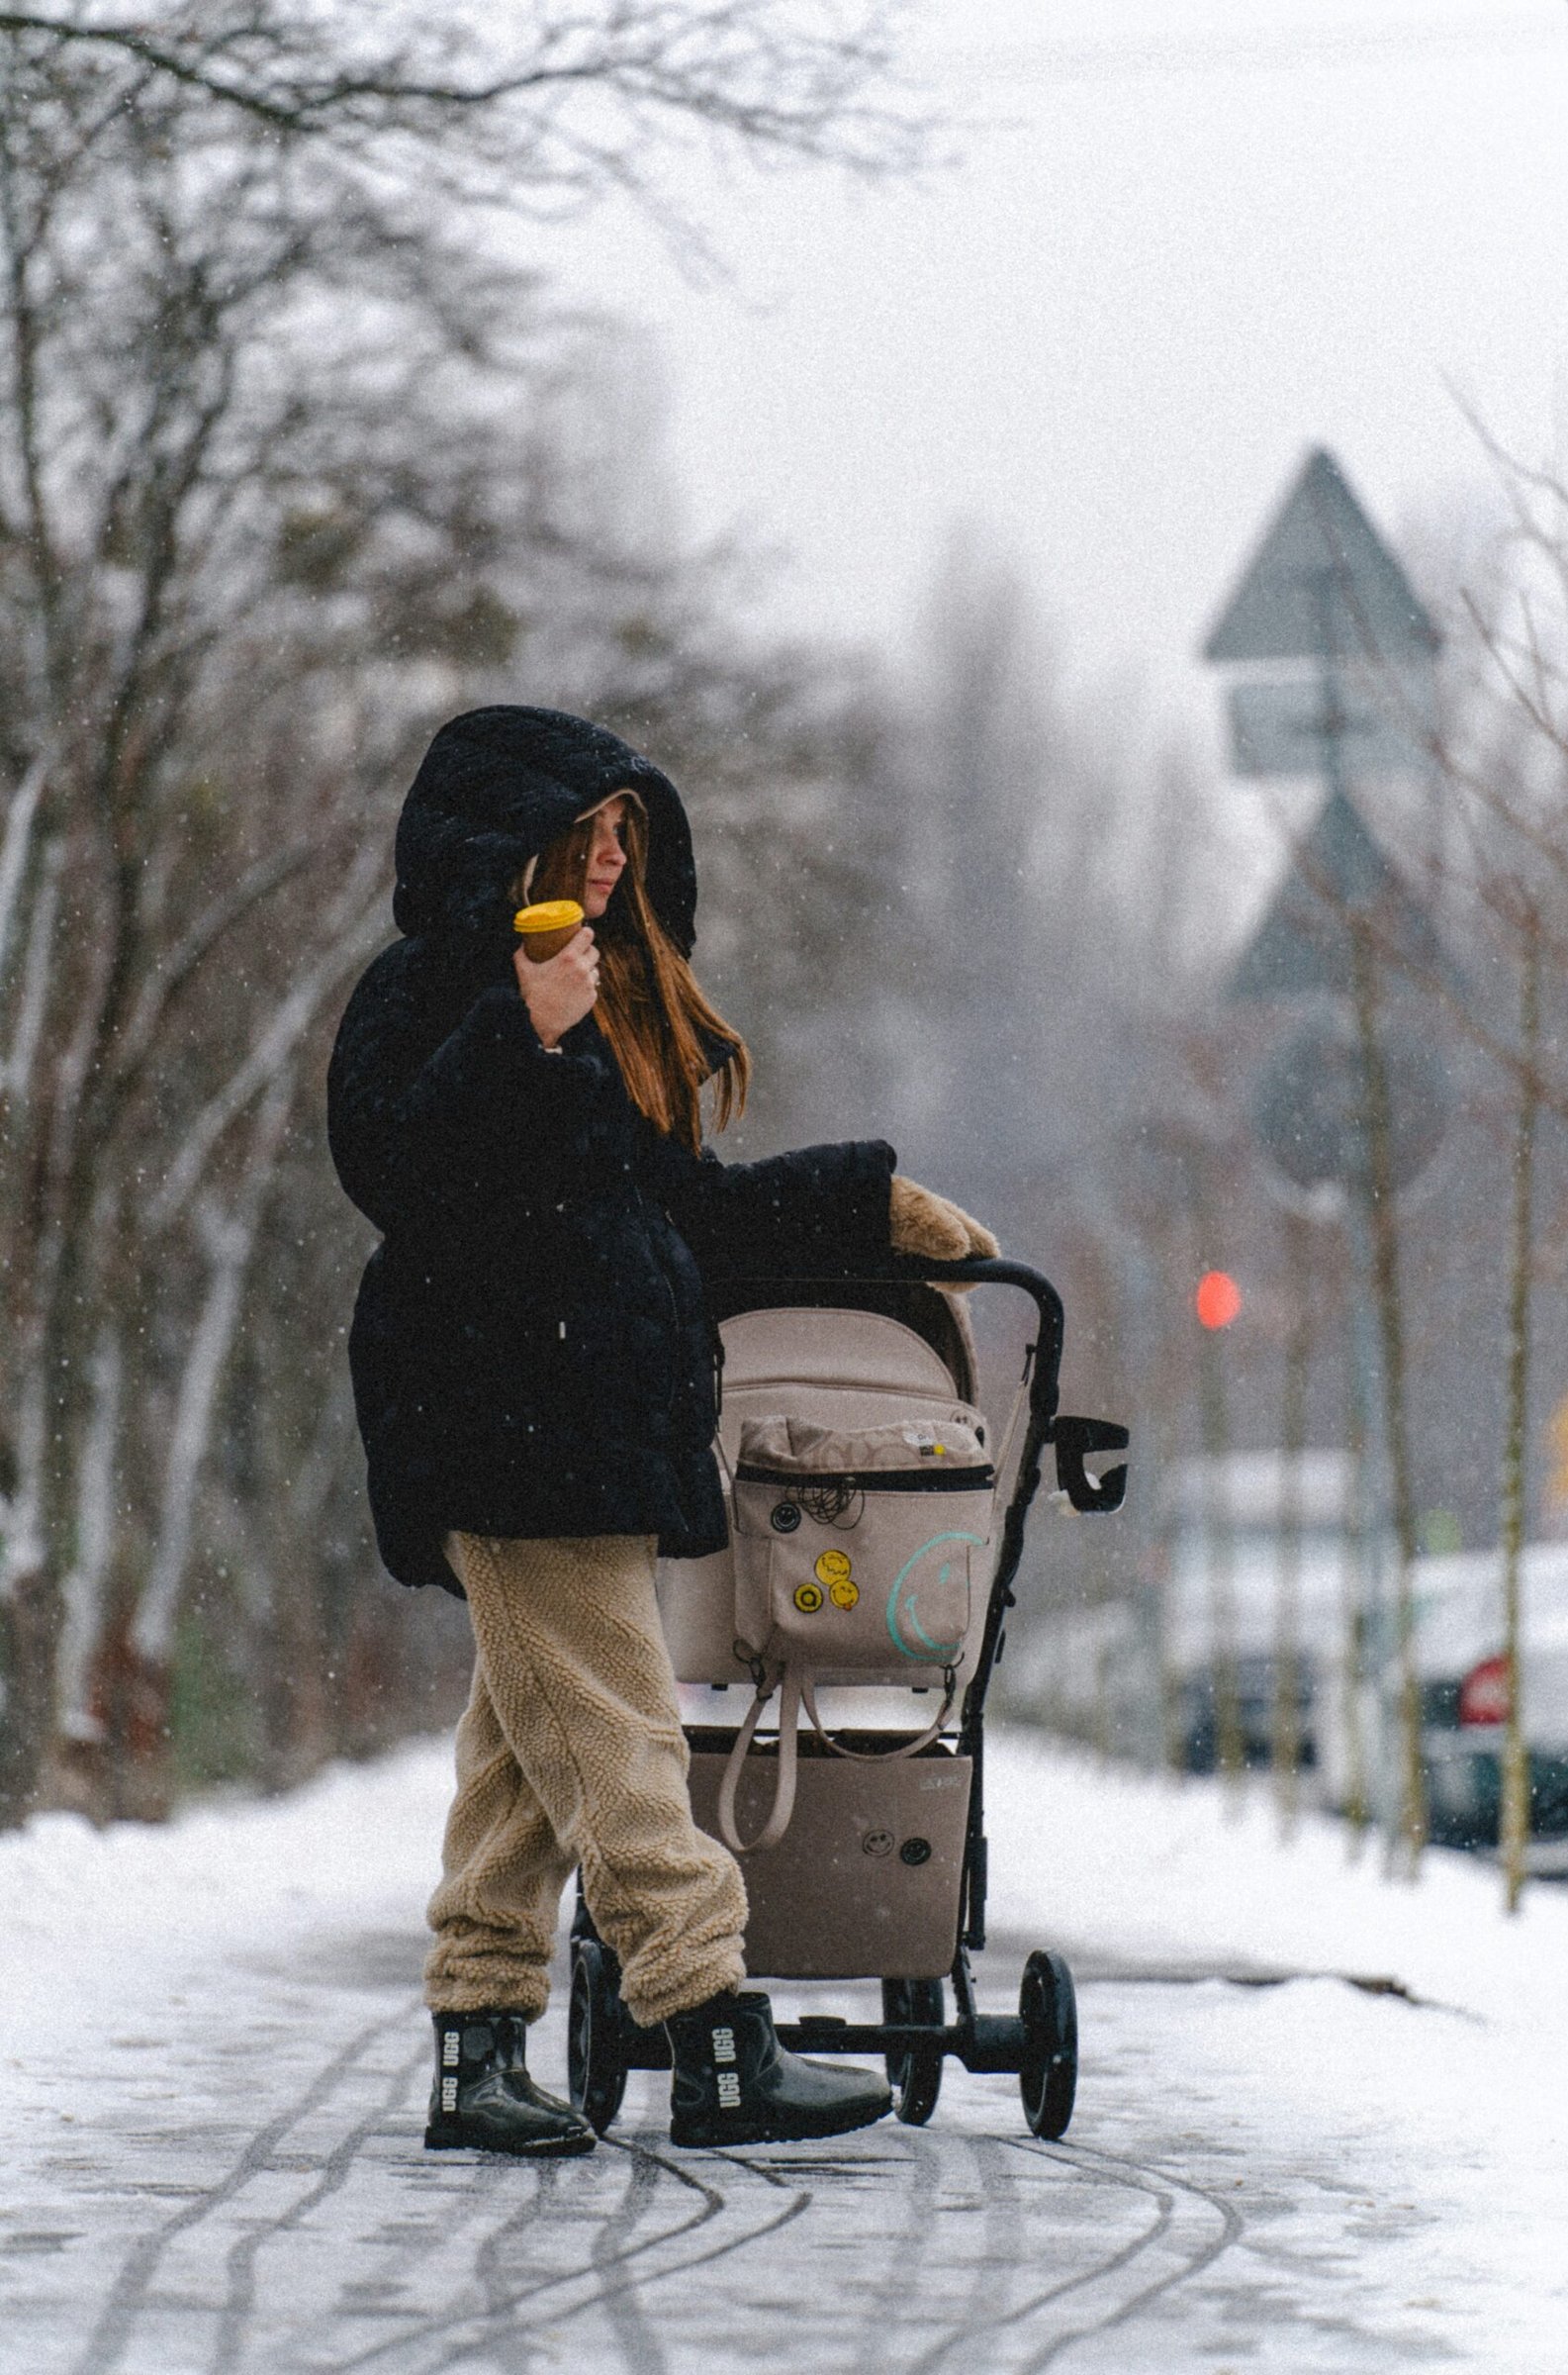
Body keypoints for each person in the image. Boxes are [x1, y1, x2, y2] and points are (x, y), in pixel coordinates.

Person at [326, 706, 996, 2157]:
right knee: (624, 1734)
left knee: (528, 1747)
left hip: (590, 1418)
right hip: (497, 1413)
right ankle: (712, 2032)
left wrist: (866, 1206)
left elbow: (675, 1215)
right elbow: (403, 1177)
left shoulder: (600, 1001)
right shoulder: (433, 991)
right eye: (594, 831)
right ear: (522, 843)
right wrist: (520, 1026)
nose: (621, 857)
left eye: (632, 831)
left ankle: (477, 2049)